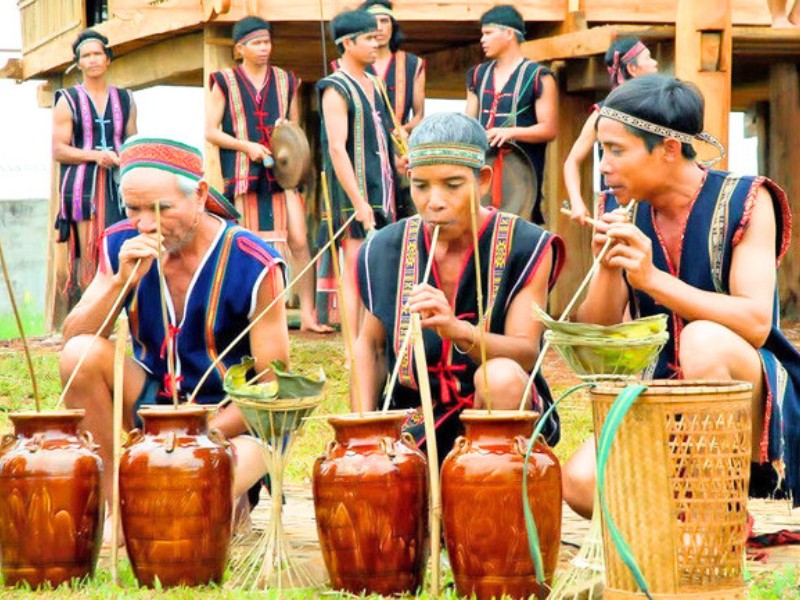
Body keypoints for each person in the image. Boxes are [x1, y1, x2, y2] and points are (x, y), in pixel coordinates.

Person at [561, 75, 800, 518]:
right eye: (602, 151)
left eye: (617, 150)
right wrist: (610, 271)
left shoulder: (748, 198)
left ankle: (718, 512)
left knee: (703, 341)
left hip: (750, 397)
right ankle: (684, 515)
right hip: (662, 393)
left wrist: (651, 279)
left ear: (669, 147)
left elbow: (754, 322)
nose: (605, 166)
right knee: (579, 483)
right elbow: (598, 335)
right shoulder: (625, 211)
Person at [59, 137, 289, 539]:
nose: (146, 223)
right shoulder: (118, 244)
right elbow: (72, 339)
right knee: (80, 353)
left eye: (162, 208)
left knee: (191, 503)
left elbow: (273, 391)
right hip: (152, 410)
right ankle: (120, 510)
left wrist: (196, 437)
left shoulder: (254, 263)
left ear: (200, 195)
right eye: (134, 210)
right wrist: (120, 284)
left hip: (228, 425)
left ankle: (215, 496)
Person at [353, 113, 565, 462]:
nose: (434, 201)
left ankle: (487, 505)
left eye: (452, 185)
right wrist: (361, 440)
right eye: (421, 186)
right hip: (413, 419)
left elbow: (526, 351)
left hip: (502, 411)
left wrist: (459, 332)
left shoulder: (525, 245)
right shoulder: (383, 248)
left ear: (482, 180)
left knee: (500, 377)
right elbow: (371, 348)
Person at [205, 16, 330, 333]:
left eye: (267, 42)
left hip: (283, 174)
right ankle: (248, 316)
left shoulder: (286, 80)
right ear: (240, 48)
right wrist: (246, 146)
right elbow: (210, 131)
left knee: (299, 240)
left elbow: (294, 129)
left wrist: (283, 131)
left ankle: (308, 316)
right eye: (256, 43)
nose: (264, 48)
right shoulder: (224, 81)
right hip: (246, 174)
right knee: (249, 243)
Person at [318, 9, 399, 359]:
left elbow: (385, 137)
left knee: (379, 265)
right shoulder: (335, 89)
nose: (376, 42)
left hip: (385, 189)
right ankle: (354, 349)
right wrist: (358, 200)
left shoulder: (375, 82)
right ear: (347, 43)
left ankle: (377, 342)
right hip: (355, 194)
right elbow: (337, 148)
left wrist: (401, 162)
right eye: (368, 38)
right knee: (354, 271)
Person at [52, 29, 137, 300]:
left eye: (97, 54)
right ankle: (92, 316)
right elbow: (58, 149)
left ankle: (121, 313)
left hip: (119, 185)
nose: (92, 60)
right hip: (82, 188)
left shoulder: (126, 99)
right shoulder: (67, 99)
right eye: (86, 56)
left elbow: (133, 140)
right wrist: (95, 156)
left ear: (108, 58)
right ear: (79, 63)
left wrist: (126, 156)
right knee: (90, 253)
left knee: (120, 245)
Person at [330, 0, 426, 219]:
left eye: (385, 21)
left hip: (401, 148)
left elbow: (420, 113)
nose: (380, 28)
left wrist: (405, 129)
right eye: (374, 24)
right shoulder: (341, 71)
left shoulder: (413, 64)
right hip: (361, 150)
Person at [465, 5, 558, 225]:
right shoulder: (477, 75)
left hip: (521, 175)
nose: (482, 39)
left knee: (518, 234)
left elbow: (549, 129)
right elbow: (468, 124)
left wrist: (510, 132)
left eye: (488, 33)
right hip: (482, 170)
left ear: (508, 33)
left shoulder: (539, 76)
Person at [562, 37, 658, 223]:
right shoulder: (602, 113)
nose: (655, 63)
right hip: (616, 204)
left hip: (654, 202)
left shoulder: (657, 108)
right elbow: (572, 161)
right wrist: (576, 202)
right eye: (648, 58)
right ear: (632, 68)